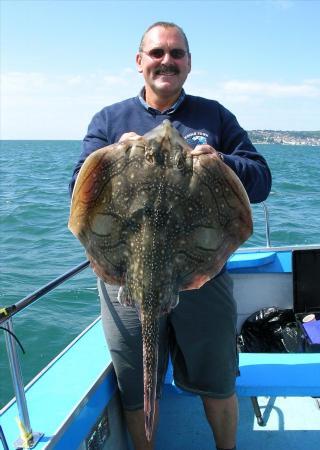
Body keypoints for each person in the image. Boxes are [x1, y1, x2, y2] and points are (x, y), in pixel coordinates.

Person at [69, 21, 271, 450]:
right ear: (139, 61)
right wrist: (109, 159)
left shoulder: (215, 115)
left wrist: (221, 162)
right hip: (127, 275)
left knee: (217, 379)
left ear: (189, 63)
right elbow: (77, 190)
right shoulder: (109, 119)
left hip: (201, 275)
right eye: (157, 52)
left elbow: (262, 180)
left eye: (176, 53)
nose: (167, 60)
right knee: (138, 382)